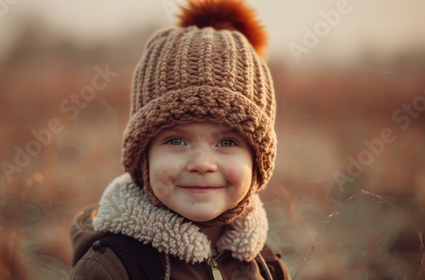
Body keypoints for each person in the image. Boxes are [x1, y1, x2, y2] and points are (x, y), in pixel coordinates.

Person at [70, 0, 290, 279]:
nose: (201, 164)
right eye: (176, 141)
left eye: (226, 143)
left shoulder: (265, 266)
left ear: (258, 161)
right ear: (142, 157)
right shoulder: (112, 268)